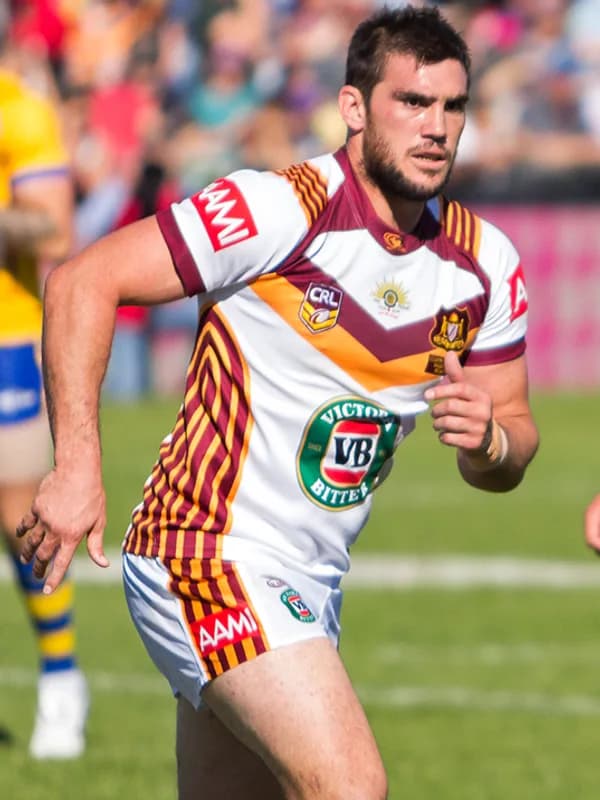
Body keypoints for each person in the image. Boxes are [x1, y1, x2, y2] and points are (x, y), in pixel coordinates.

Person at [17, 5, 539, 797]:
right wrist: (76, 467)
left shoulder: (484, 262)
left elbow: (515, 433)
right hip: (204, 550)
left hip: (310, 581)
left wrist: (491, 443)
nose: (436, 127)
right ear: (354, 107)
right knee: (350, 787)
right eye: (412, 102)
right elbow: (84, 281)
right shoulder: (279, 208)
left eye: (452, 106)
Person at [0, 28, 88, 758]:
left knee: (18, 514)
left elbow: (54, 229)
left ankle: (61, 678)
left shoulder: (18, 110)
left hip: (7, 338)